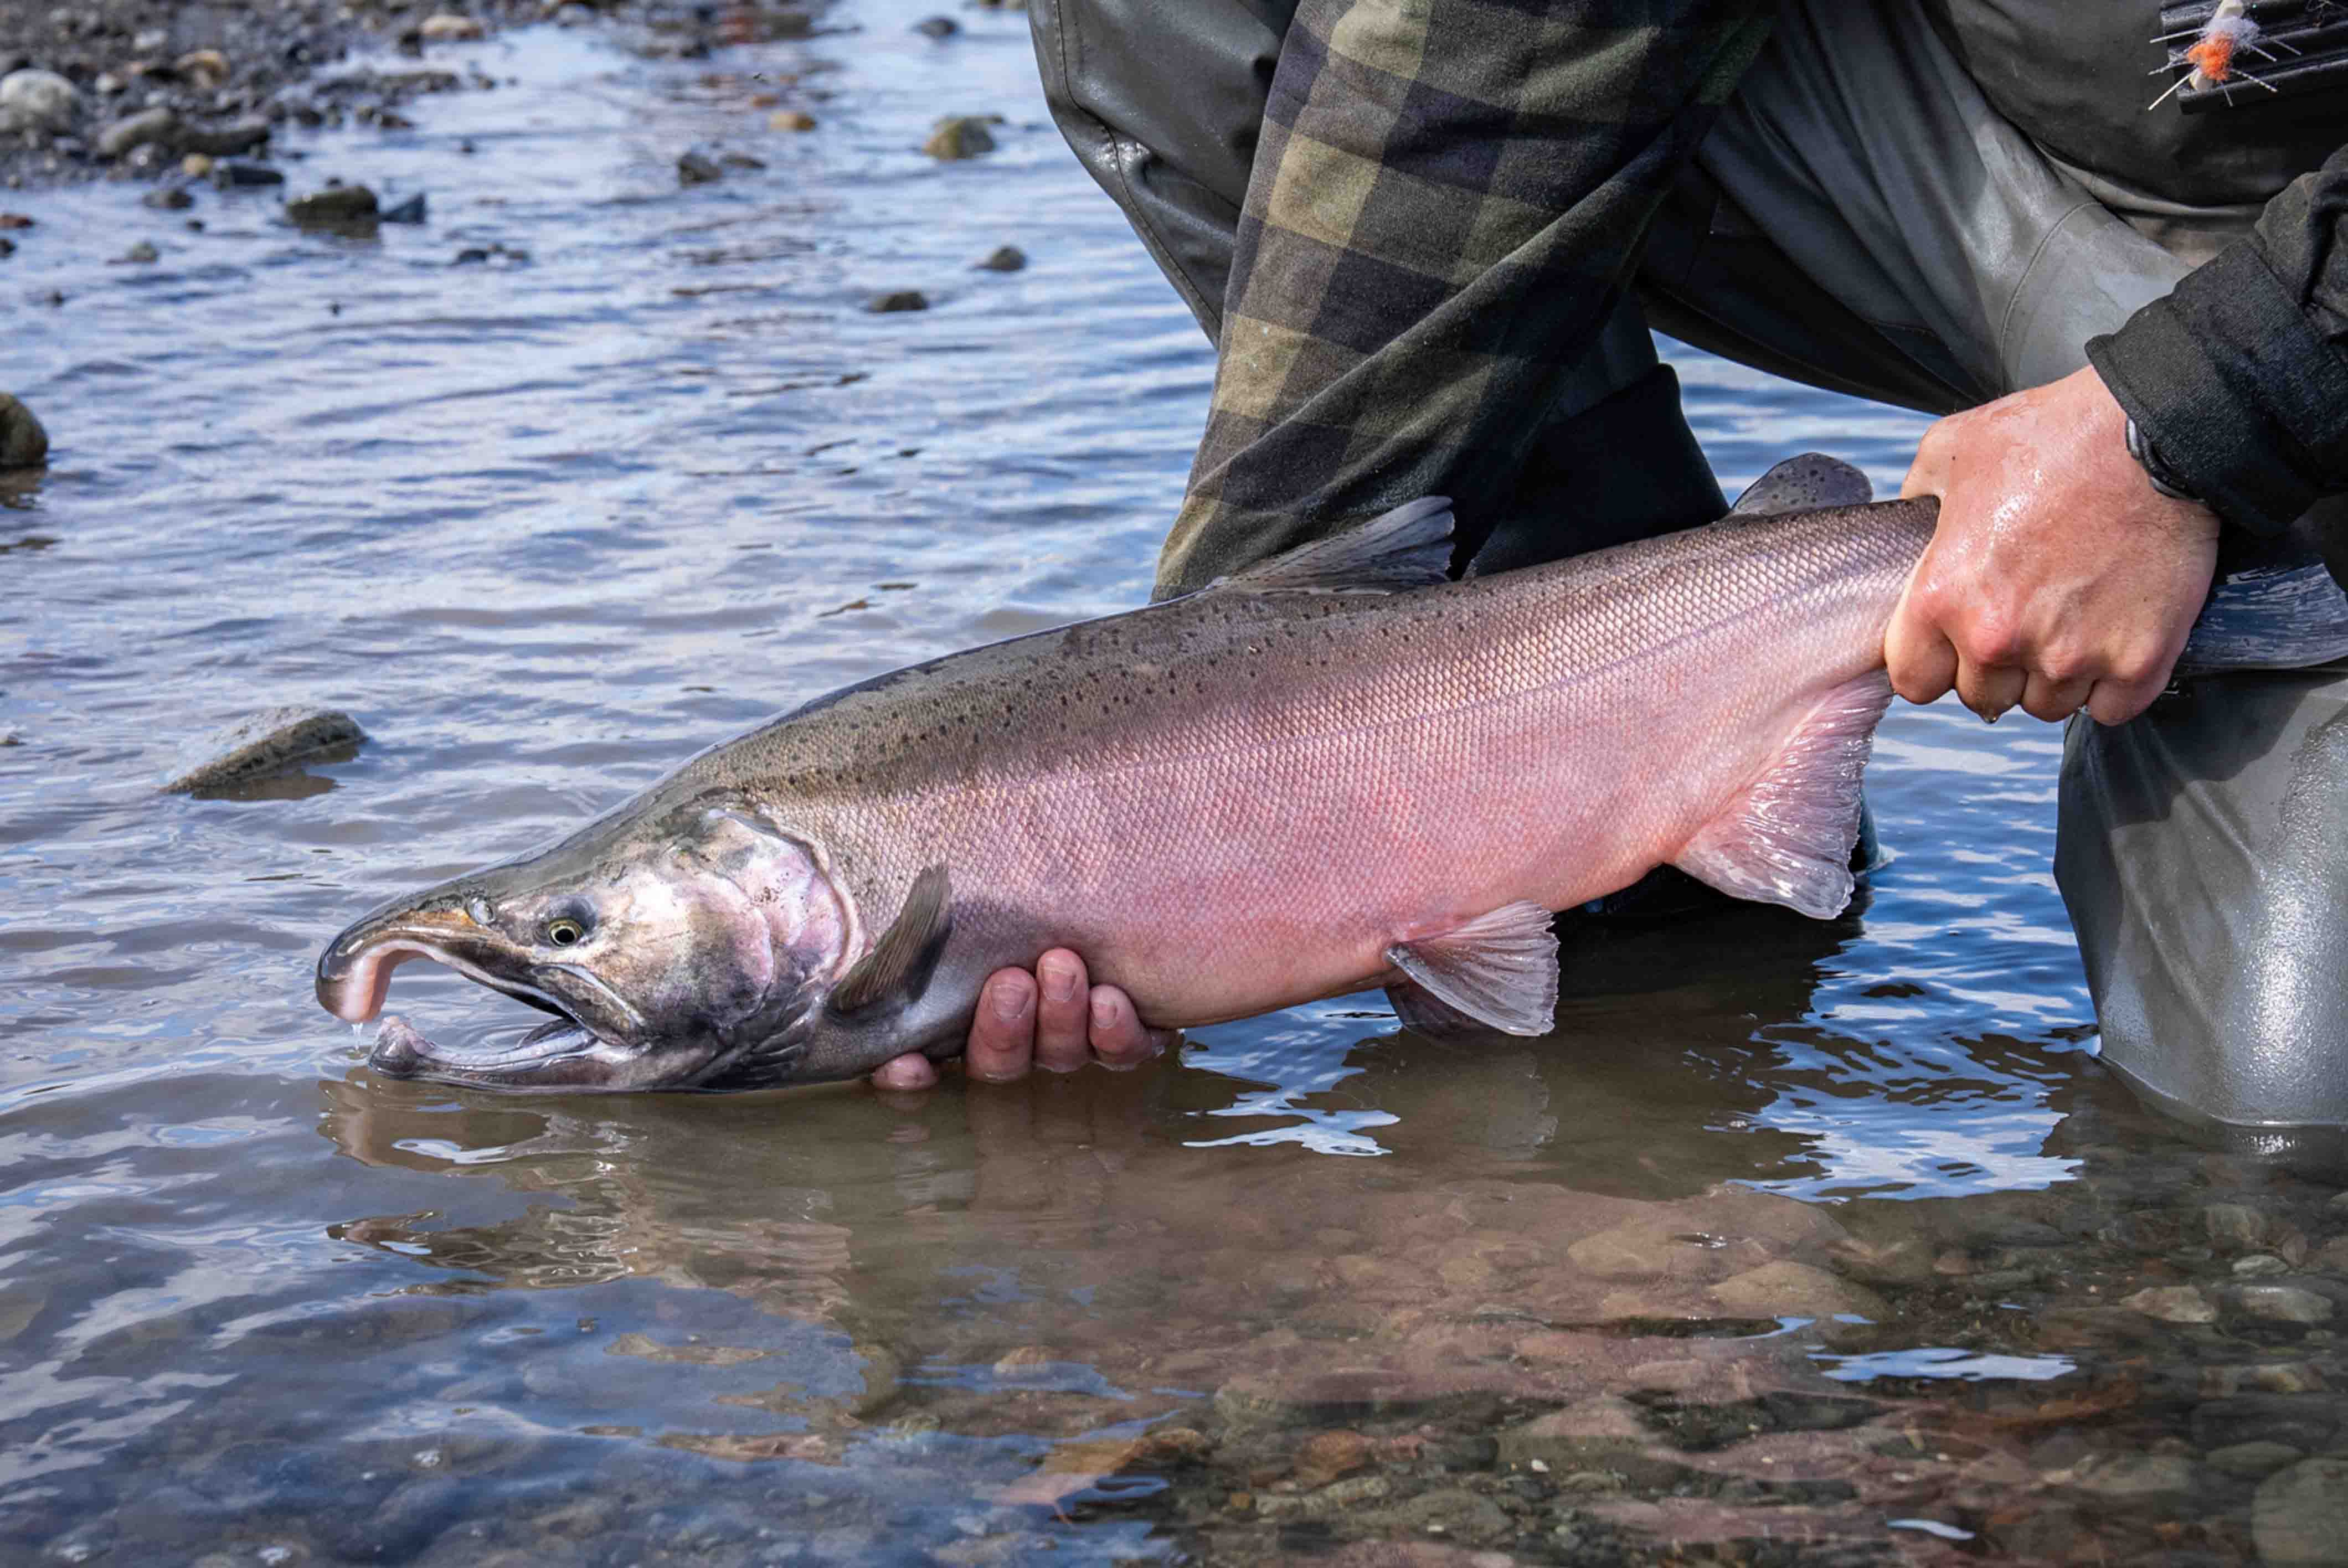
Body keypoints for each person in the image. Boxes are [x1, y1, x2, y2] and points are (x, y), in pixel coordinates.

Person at [872, 0, 2348, 1149]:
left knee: (2281, 1128)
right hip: (2010, 125)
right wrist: (1209, 766)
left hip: (2296, 266)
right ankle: (1639, 826)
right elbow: (1492, 55)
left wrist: (2190, 411)